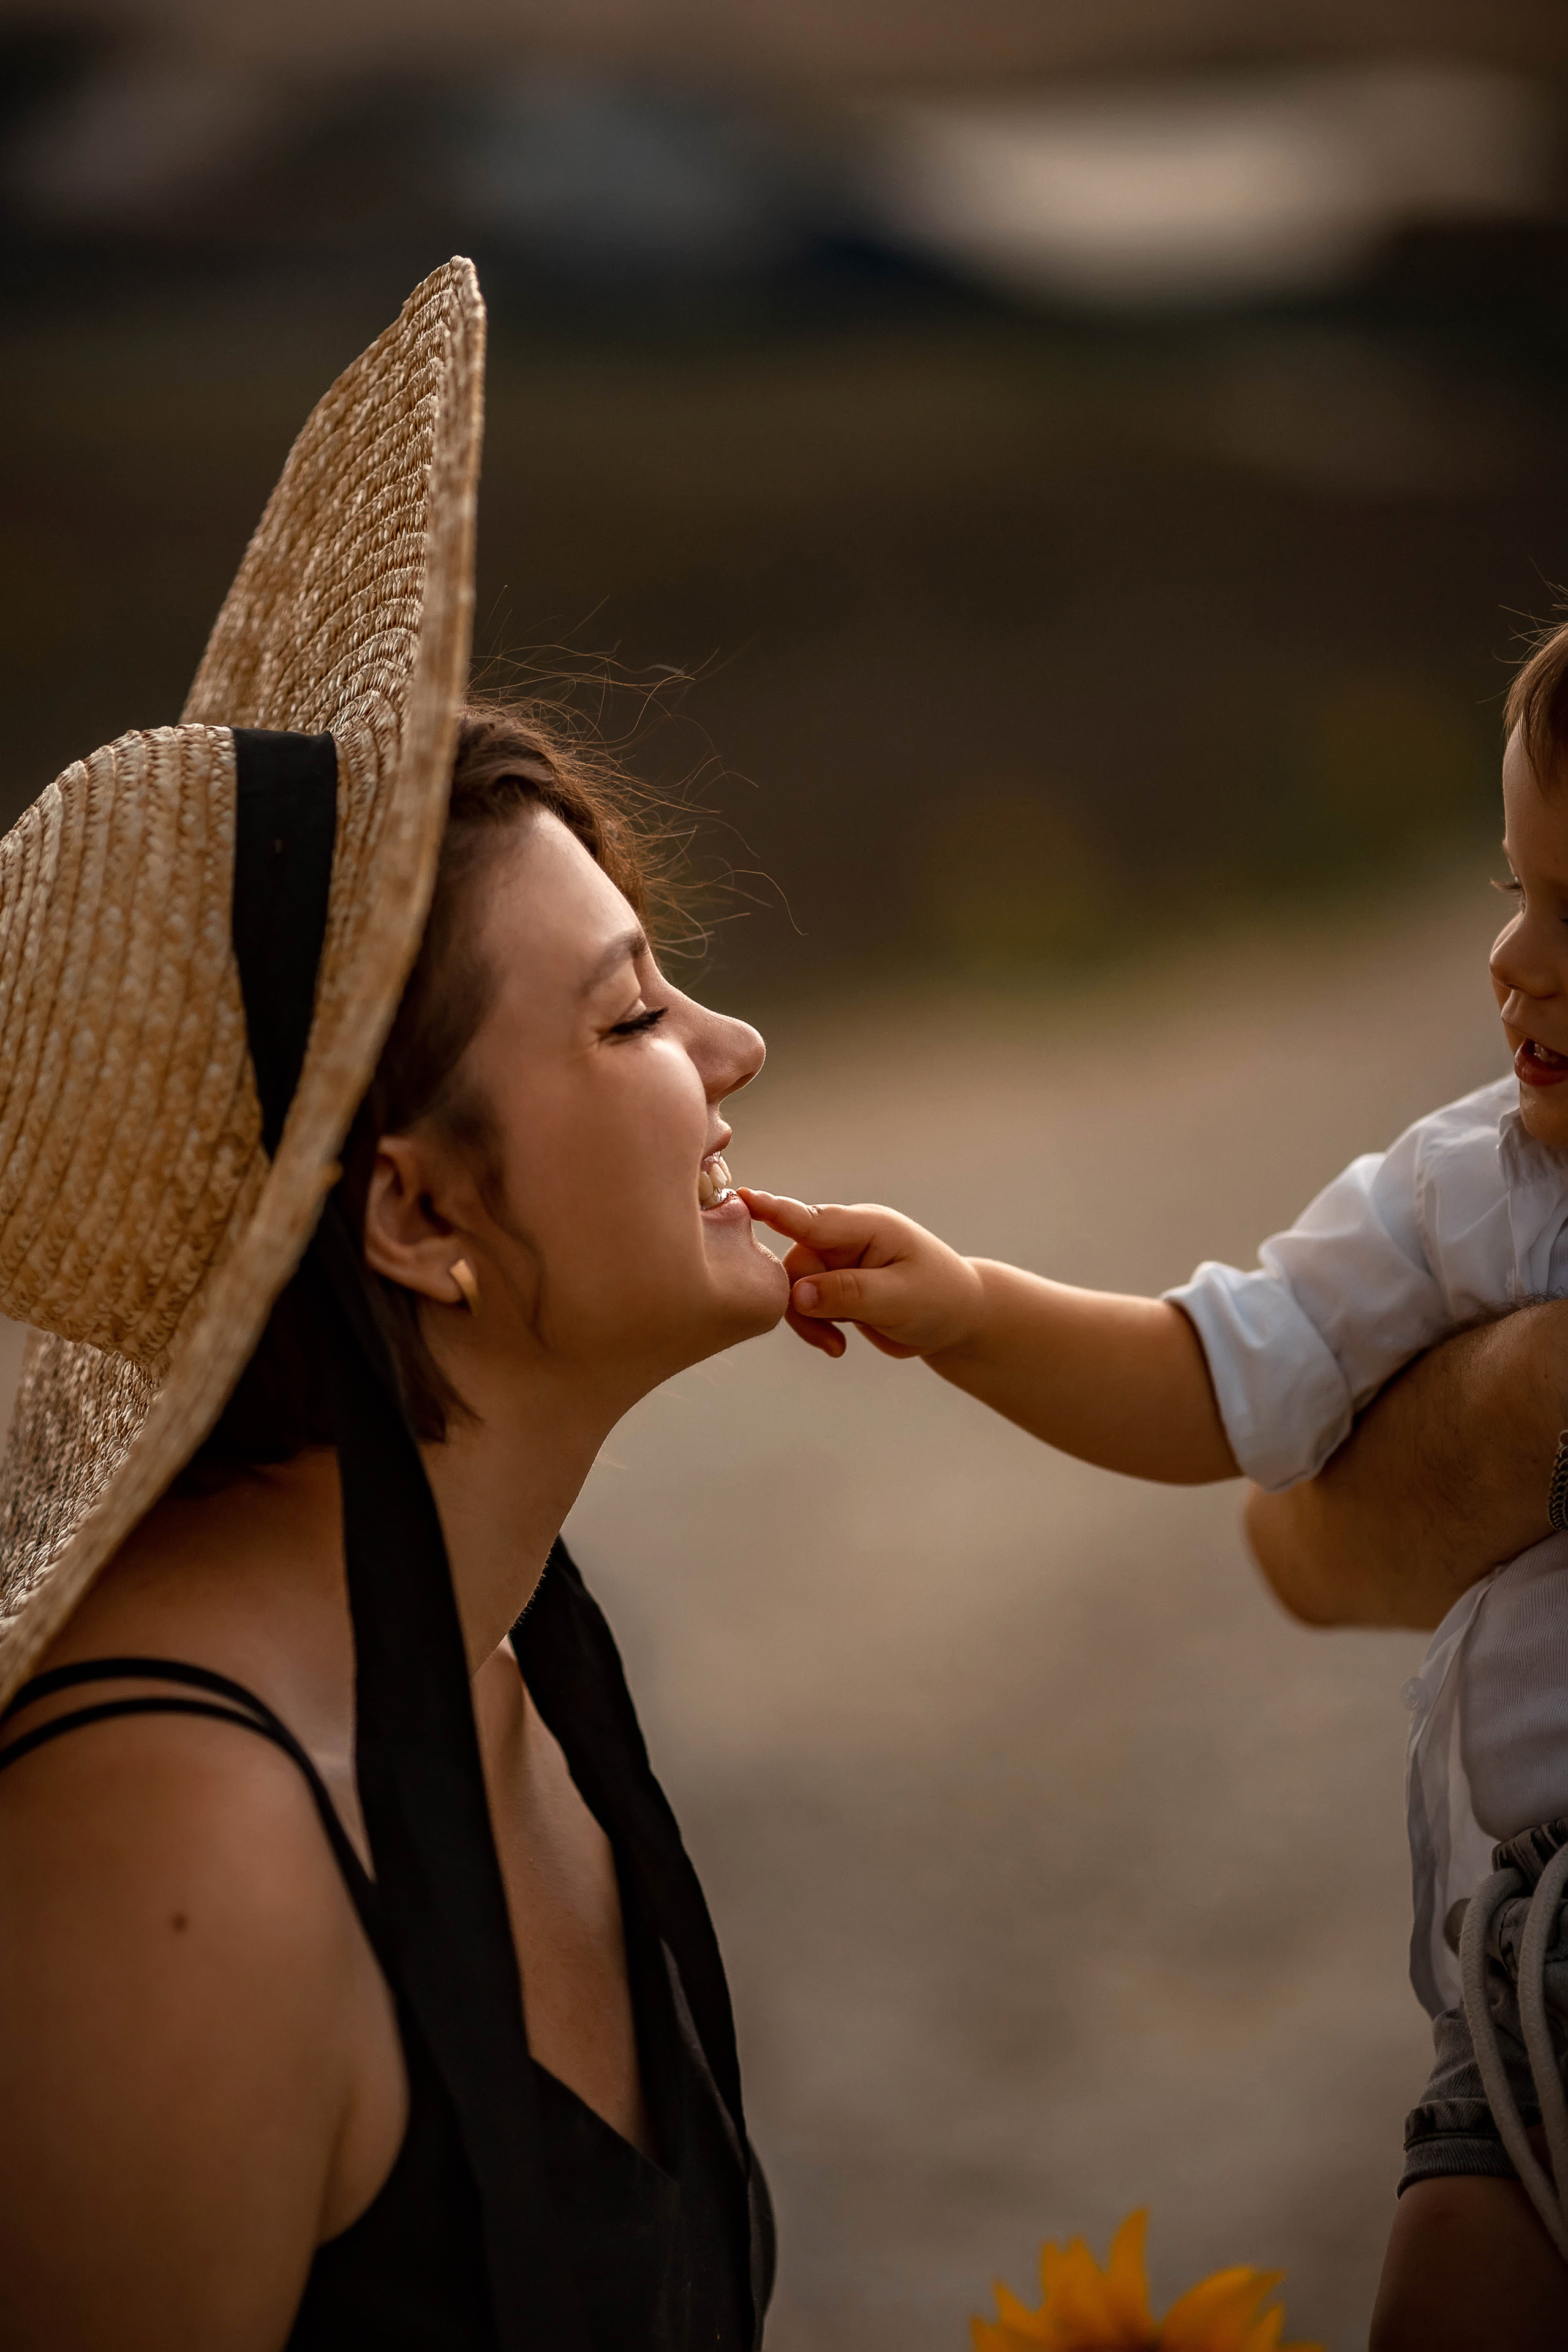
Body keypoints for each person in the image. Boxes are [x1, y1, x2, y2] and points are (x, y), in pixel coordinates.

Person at [0, 261, 787, 2350]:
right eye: (632, 1014)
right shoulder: (179, 1846)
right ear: (419, 1216)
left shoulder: (501, 1668)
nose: (736, 1049)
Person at [741, 624, 1568, 2348]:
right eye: (1518, 887)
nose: (1517, 958)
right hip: (1539, 1957)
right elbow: (1226, 1373)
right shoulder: (1470, 1192)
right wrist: (974, 1312)